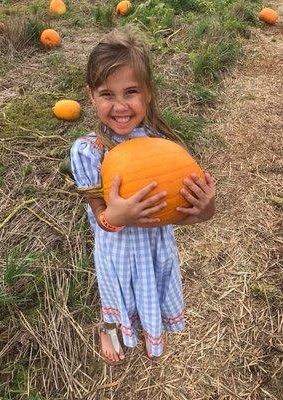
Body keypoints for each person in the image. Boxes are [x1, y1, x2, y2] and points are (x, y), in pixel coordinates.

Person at [70, 26, 215, 366]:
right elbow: (101, 218)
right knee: (114, 296)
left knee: (149, 294)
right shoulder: (88, 152)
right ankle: (108, 329)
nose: (120, 105)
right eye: (107, 94)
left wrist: (207, 208)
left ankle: (147, 329)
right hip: (115, 250)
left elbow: (189, 213)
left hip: (154, 247)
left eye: (130, 92)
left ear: (148, 93)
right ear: (91, 95)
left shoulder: (161, 144)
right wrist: (118, 216)